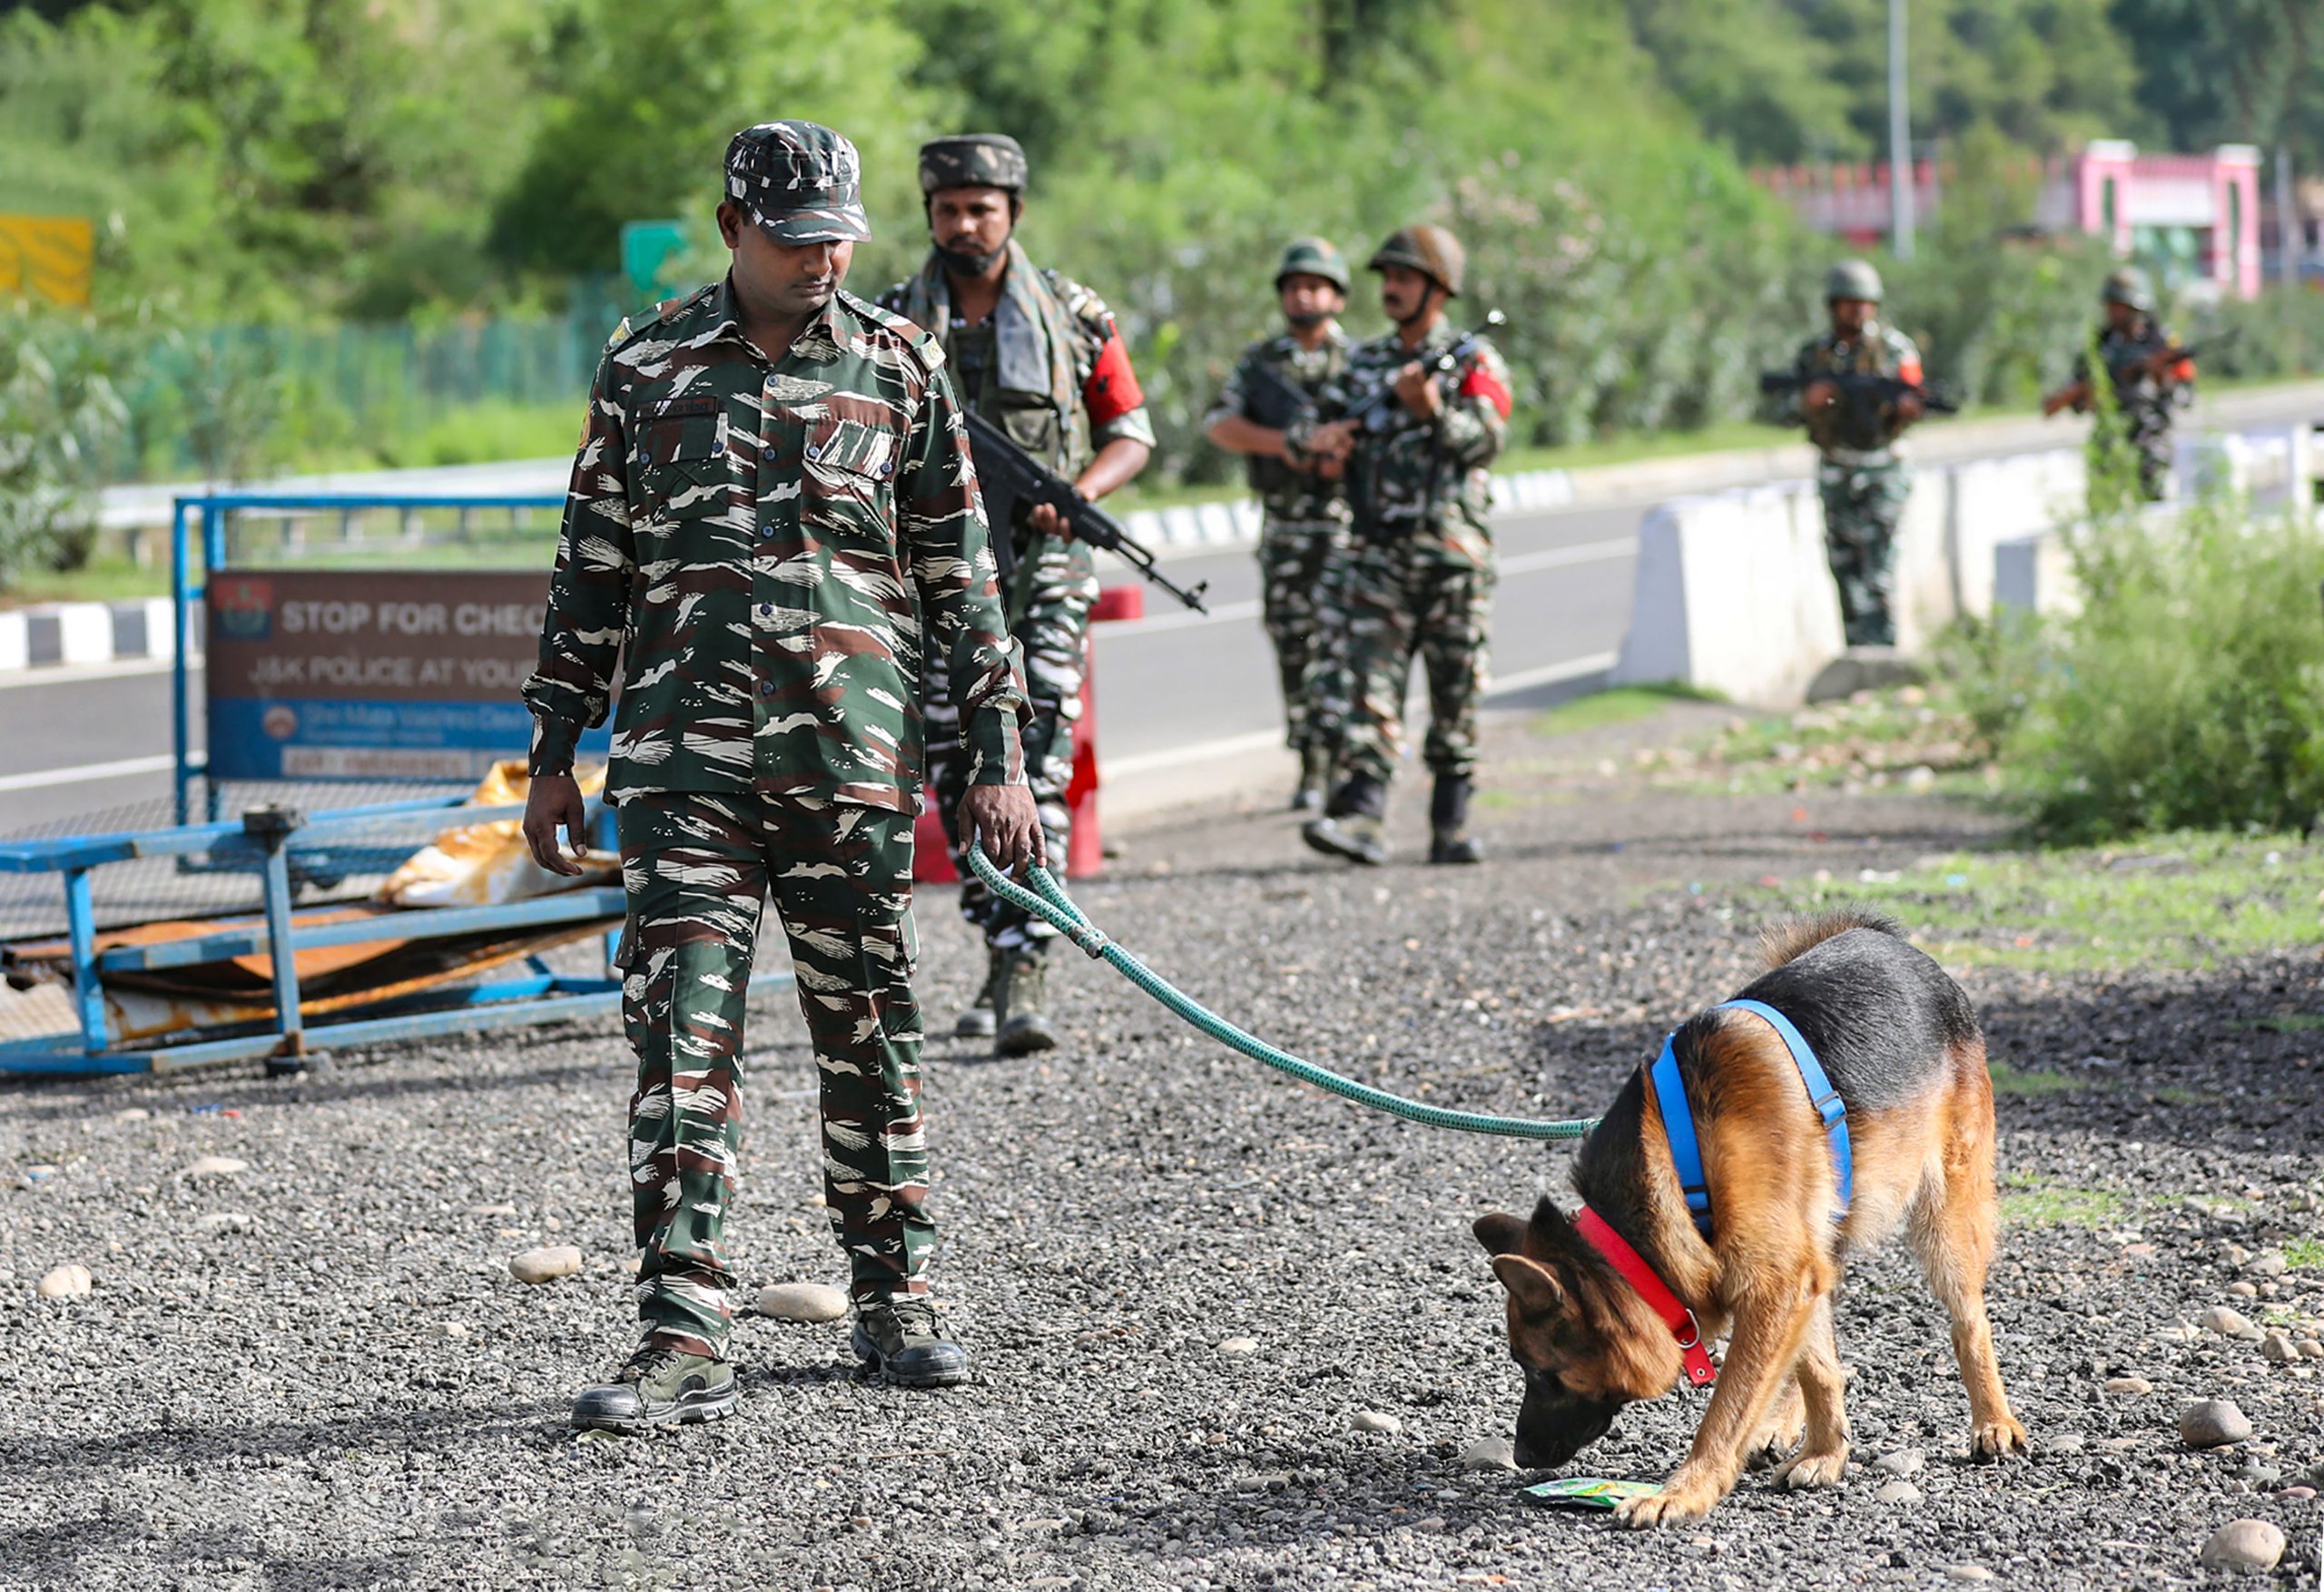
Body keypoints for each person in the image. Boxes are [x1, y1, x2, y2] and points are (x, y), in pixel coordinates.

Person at [519, 121, 1042, 1431]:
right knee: (680, 1042)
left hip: (846, 763)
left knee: (867, 1026)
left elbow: (958, 574)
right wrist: (549, 753)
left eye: (839, 238)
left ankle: (895, 1297)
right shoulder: (646, 367)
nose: (823, 260)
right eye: (797, 239)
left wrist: (999, 757)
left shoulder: (899, 361)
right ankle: (682, 1328)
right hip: (682, 769)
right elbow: (591, 571)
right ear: (731, 229)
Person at [878, 133, 1155, 1056]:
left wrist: (1079, 500)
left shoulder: (1073, 314)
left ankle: (1028, 953)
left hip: (1041, 572)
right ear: (930, 217)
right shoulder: (887, 325)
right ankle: (1000, 944)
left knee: (1029, 755)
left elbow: (1131, 432)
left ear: (1014, 213)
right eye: (948, 209)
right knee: (955, 766)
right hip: (937, 578)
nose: (964, 224)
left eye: (981, 208)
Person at [1294, 225, 1511, 868]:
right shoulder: (1361, 363)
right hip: (1378, 554)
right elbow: (1311, 432)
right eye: (1386, 277)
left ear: (1439, 289)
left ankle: (1451, 823)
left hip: (1453, 557)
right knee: (1370, 690)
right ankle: (1361, 816)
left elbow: (1485, 440)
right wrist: (1323, 445)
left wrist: (1432, 409)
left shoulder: (1474, 363)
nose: (1390, 288)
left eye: (1405, 277)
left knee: (1456, 695)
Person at [1203, 238, 1355, 811]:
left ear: (1337, 297)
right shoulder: (1262, 365)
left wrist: (1342, 448)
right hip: (1287, 529)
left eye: (1315, 286)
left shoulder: (1359, 363)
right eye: (1294, 286)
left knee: (1344, 650)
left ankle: (1342, 760)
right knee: (1295, 647)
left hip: (1344, 529)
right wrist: (1288, 444)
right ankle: (1310, 764)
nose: (1303, 295)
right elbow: (1220, 423)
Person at [1786, 259, 1926, 650]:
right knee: (1844, 565)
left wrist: (1905, 407)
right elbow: (1783, 410)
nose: (1857, 310)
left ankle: (1883, 655)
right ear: (1833, 305)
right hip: (1837, 469)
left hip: (1884, 470)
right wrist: (1809, 402)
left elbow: (1915, 397)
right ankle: (1858, 651)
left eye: (1864, 302)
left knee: (1877, 568)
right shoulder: (1815, 355)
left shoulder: (1895, 349)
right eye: (1848, 302)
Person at [2041, 266, 2194, 503]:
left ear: (2136, 307)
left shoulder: (2162, 344)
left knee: (2152, 501)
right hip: (2109, 435)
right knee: (2102, 502)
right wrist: (2087, 392)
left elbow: (2184, 398)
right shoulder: (2099, 345)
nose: (2112, 311)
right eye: (2111, 304)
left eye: (2119, 305)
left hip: (2149, 437)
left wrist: (2161, 377)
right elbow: (2076, 397)